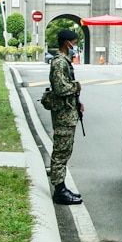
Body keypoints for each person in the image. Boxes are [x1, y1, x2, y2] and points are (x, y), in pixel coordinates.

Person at [47, 29, 84, 205]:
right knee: (61, 152)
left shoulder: (64, 62)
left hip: (68, 113)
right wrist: (76, 87)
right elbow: (60, 88)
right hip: (63, 115)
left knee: (65, 150)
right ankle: (59, 190)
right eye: (74, 43)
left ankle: (62, 187)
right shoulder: (59, 63)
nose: (75, 46)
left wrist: (78, 102)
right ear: (67, 43)